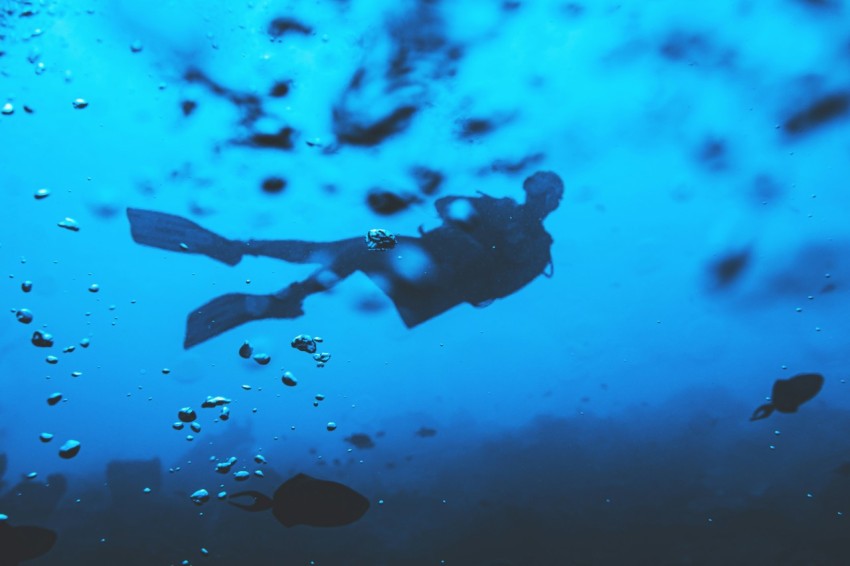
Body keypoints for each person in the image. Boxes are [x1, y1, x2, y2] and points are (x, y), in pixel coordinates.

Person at [127, 171, 564, 348]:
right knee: (347, 244)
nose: (536, 195)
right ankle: (241, 247)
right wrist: (476, 209)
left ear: (553, 203)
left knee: (357, 249)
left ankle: (287, 298)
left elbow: (494, 289)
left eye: (545, 192)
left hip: (438, 283)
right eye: (534, 186)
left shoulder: (537, 246)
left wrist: (508, 237)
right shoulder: (498, 207)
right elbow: (447, 202)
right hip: (415, 251)